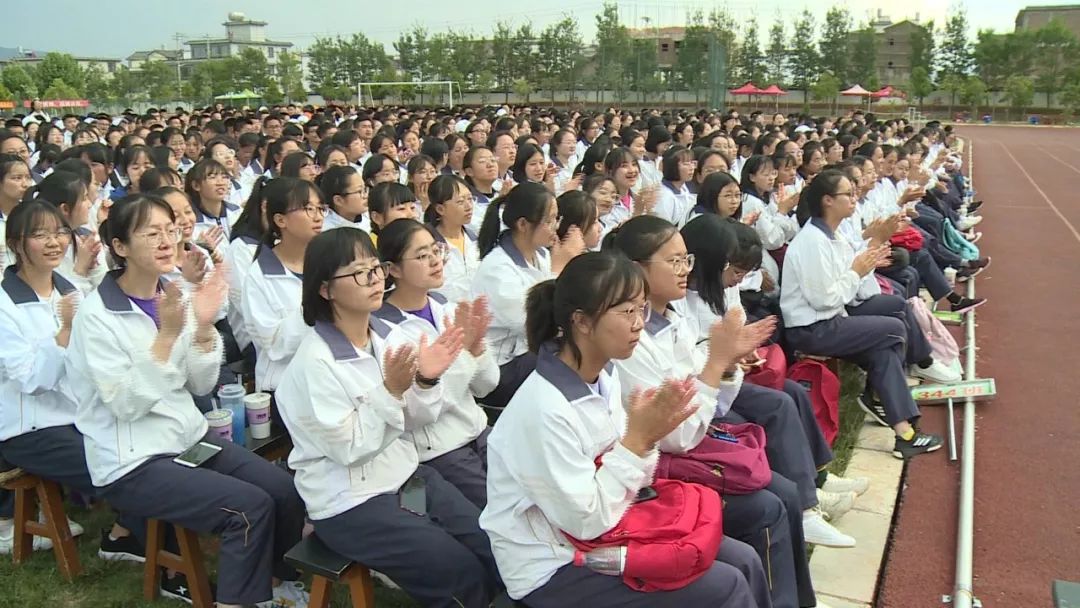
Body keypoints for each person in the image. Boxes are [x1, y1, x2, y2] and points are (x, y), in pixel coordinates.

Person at [481, 251, 769, 607]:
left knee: (743, 559)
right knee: (726, 584)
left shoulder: (604, 374)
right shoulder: (544, 410)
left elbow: (632, 478)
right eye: (627, 312)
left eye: (641, 309)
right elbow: (587, 521)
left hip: (610, 524)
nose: (639, 324)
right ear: (582, 322)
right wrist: (638, 440)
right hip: (553, 563)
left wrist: (641, 442)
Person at [66, 193, 308, 607]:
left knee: (283, 489)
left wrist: (201, 328)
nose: (165, 241)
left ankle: (278, 578)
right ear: (120, 247)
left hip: (186, 438)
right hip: (132, 459)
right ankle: (242, 601)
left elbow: (199, 383)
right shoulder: (97, 317)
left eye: (170, 231)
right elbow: (126, 404)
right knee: (246, 509)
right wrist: (165, 336)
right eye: (151, 233)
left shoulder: (173, 294)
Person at [274, 227, 501, 607]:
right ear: (326, 289)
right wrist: (392, 391)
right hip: (351, 500)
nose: (375, 280)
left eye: (376, 269)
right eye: (360, 273)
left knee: (492, 543)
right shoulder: (314, 364)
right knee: (457, 572)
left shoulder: (387, 338)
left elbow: (415, 418)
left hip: (406, 474)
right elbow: (350, 449)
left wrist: (426, 380)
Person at [0, 200, 142, 559]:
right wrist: (63, 334)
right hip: (30, 428)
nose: (54, 242)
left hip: (79, 413)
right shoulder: (4, 304)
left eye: (60, 232)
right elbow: (32, 380)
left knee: (144, 444)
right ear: (16, 243)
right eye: (39, 234)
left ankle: (130, 529)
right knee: (119, 464)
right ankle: (137, 535)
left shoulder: (69, 290)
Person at [781, 170, 944, 459]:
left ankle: (904, 433)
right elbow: (823, 299)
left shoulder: (831, 236)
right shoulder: (811, 242)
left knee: (883, 349)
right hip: (813, 329)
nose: (854, 199)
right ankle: (884, 390)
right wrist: (858, 270)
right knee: (894, 329)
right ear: (828, 200)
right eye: (848, 194)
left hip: (833, 318)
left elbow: (848, 281)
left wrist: (864, 263)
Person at [374, 219, 497, 508]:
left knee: (532, 495)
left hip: (480, 431)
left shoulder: (449, 309)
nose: (435, 261)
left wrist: (478, 348)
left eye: (435, 250)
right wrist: (465, 358)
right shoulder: (384, 330)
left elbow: (487, 386)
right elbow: (422, 411)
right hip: (441, 451)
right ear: (392, 269)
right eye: (421, 256)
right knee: (503, 514)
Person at [471, 182, 583, 409]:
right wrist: (560, 269)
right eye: (549, 221)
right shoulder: (497, 269)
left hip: (528, 351)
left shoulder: (540, 254)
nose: (555, 228)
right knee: (574, 354)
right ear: (523, 224)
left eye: (556, 219)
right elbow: (537, 320)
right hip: (502, 367)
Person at [241, 178, 326, 393]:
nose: (317, 216)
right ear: (280, 220)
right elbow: (275, 345)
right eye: (308, 208)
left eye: (320, 208)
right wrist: (313, 304)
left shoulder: (330, 261)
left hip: (329, 378)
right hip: (284, 386)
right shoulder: (260, 275)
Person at [425, 174, 480, 304]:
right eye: (460, 202)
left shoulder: (475, 239)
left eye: (470, 199)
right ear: (440, 209)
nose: (469, 206)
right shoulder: (428, 245)